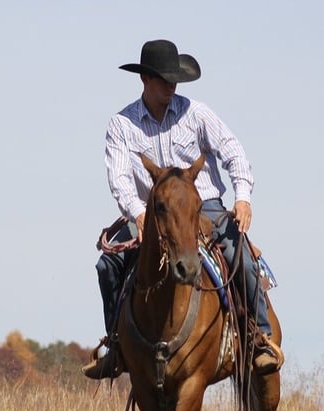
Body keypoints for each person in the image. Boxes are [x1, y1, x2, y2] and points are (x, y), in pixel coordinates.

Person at [82, 39, 284, 379]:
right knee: (108, 266)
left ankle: (260, 338)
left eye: (175, 78)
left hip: (203, 207)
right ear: (145, 80)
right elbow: (118, 178)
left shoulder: (197, 114)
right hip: (151, 213)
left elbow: (233, 150)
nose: (171, 85)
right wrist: (138, 212)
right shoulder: (122, 125)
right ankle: (117, 348)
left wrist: (243, 196)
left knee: (242, 257)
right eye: (164, 78)